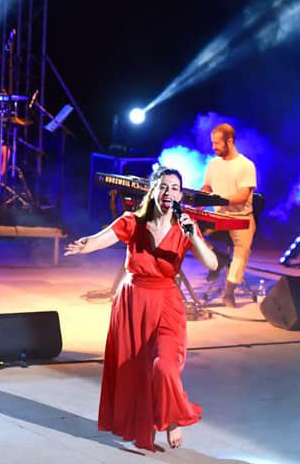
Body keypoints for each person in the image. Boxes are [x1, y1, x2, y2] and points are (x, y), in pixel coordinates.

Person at [65, 167, 218, 451]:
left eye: (174, 188)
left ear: (180, 196)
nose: (168, 192)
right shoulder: (133, 222)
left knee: (165, 365)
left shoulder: (186, 227)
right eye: (163, 186)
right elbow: (102, 238)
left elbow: (212, 263)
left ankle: (172, 418)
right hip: (133, 302)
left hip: (167, 304)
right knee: (136, 372)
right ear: (153, 191)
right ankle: (148, 425)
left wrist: (194, 237)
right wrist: (85, 246)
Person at [201, 123, 257, 307]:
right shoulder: (213, 164)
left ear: (230, 142)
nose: (213, 147)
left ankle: (229, 292)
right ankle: (217, 258)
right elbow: (207, 187)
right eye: (212, 143)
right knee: (187, 230)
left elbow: (243, 196)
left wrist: (220, 200)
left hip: (242, 218)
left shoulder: (246, 165)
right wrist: (199, 199)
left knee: (242, 250)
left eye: (216, 143)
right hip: (218, 216)